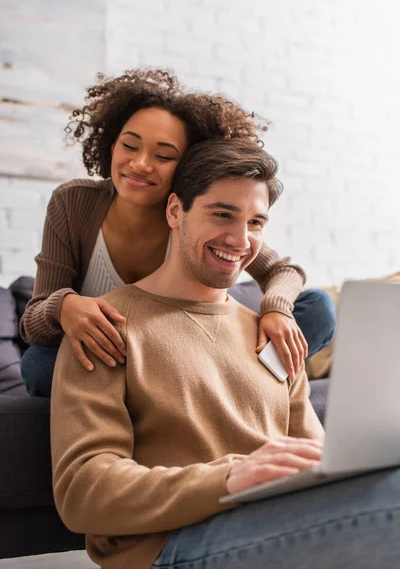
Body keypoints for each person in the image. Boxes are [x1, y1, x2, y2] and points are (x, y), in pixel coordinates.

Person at [51, 139, 400, 569]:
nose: (240, 239)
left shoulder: (273, 333)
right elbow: (83, 491)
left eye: (256, 222)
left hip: (275, 523)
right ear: (175, 211)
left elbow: (314, 458)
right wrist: (230, 477)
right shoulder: (104, 326)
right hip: (169, 545)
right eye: (222, 215)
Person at [20, 69, 336, 398]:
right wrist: (65, 306)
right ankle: (221, 391)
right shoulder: (74, 202)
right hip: (119, 357)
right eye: (130, 146)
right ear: (112, 146)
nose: (140, 164)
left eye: (164, 155)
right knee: (39, 367)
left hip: (189, 349)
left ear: (188, 167)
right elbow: (33, 322)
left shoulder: (193, 215)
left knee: (320, 308)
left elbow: (281, 271)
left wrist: (275, 307)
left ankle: (209, 390)